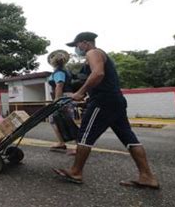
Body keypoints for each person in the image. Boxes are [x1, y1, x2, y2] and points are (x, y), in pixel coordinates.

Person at [52, 32, 159, 189]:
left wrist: (81, 92)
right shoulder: (100, 54)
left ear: (85, 43)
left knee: (85, 135)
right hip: (115, 100)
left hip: (103, 102)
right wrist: (88, 95)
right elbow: (103, 79)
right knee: (128, 137)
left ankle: (76, 171)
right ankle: (147, 177)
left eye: (76, 45)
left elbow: (98, 73)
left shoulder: (93, 52)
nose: (76, 49)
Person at [47, 50, 77, 155]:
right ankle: (61, 142)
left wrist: (57, 100)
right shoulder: (66, 71)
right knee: (54, 119)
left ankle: (78, 146)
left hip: (62, 98)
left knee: (68, 120)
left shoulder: (59, 72)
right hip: (67, 97)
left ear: (53, 62)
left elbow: (59, 85)